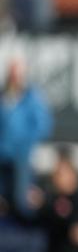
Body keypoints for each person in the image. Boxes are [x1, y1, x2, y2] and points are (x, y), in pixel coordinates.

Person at [0, 55, 53, 217]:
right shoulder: (4, 97)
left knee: (20, 197)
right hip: (2, 154)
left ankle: (24, 223)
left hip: (21, 155)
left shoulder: (32, 98)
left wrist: (25, 144)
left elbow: (42, 125)